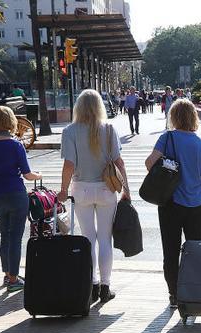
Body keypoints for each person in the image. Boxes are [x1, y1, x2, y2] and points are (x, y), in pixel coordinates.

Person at [57, 89, 131, 304]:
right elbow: (119, 163)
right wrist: (126, 190)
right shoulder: (109, 129)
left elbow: (69, 164)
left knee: (88, 238)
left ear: (78, 107)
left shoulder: (69, 131)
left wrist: (63, 190)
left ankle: (93, 285)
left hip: (81, 189)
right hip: (107, 189)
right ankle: (106, 287)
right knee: (105, 238)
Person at [144, 99, 201, 307]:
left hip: (170, 205)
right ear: (193, 117)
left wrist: (167, 163)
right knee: (194, 250)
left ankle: (174, 294)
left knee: (171, 250)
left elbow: (149, 164)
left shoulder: (166, 138)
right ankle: (192, 291)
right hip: (196, 207)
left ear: (173, 117)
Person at [0, 106, 42, 292]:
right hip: (16, 195)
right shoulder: (16, 145)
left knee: (5, 235)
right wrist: (39, 175)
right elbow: (28, 175)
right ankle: (13, 279)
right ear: (11, 122)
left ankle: (7, 274)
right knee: (15, 237)